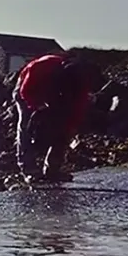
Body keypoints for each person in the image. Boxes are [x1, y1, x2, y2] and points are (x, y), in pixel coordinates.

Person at [13, 53, 96, 184]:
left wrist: (68, 129)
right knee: (26, 127)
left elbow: (76, 113)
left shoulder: (80, 86)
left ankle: (52, 170)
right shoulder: (42, 67)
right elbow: (26, 92)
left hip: (55, 96)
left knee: (63, 130)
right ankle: (29, 170)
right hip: (29, 89)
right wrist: (39, 109)